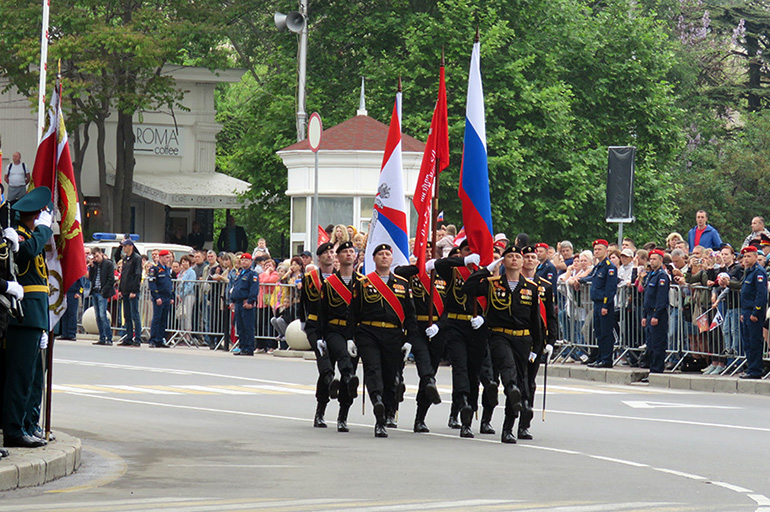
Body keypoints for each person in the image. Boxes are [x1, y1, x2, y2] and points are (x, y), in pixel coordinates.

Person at [462, 246, 542, 444]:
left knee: (521, 386)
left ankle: (508, 429)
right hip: (500, 335)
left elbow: (536, 322)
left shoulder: (531, 288)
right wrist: (485, 270)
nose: (514, 259)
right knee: (508, 369)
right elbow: (468, 288)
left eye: (517, 257)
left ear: (523, 262)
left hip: (523, 339)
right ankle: (510, 387)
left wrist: (537, 348)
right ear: (503, 262)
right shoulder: (492, 284)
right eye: (509, 256)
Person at [346, 243, 418, 438]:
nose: (384, 257)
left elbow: (410, 315)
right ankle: (377, 406)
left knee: (390, 376)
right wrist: (349, 338)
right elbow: (353, 313)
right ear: (374, 259)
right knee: (372, 370)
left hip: (394, 336)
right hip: (368, 333)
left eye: (387, 254)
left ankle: (387, 410)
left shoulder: (402, 284)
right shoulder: (363, 283)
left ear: (392, 258)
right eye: (380, 254)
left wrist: (409, 340)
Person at [2, 186, 52, 448]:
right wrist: (43, 229)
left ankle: (27, 424)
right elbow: (25, 253)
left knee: (32, 377)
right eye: (42, 216)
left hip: (35, 315)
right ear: (36, 215)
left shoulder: (30, 235)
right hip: (23, 315)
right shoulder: (20, 235)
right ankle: (13, 428)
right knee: (19, 376)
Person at [434, 241, 486, 438]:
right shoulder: (454, 271)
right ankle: (462, 405)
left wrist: (483, 318)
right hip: (455, 326)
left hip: (476, 328)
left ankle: (470, 409)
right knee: (460, 367)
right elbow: (439, 265)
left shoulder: (485, 273)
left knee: (474, 372)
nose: (470, 254)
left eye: (473, 252)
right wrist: (464, 261)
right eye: (466, 250)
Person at [394, 255, 444, 433]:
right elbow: (398, 272)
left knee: (431, 368)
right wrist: (419, 268)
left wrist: (439, 325)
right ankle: (428, 380)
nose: (428, 254)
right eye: (425, 250)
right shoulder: (410, 274)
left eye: (432, 250)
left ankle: (420, 418)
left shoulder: (442, 275)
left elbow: (451, 304)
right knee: (423, 362)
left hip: (437, 329)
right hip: (415, 327)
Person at [317, 241, 360, 432]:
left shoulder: (363, 283)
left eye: (352, 251)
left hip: (354, 333)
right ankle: (320, 411)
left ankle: (343, 416)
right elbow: (322, 312)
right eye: (345, 252)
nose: (349, 254)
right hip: (334, 330)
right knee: (338, 368)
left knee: (348, 378)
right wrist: (319, 336)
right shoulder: (329, 284)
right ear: (338, 257)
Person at [520, 246, 557, 440]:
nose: (530, 260)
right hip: (518, 336)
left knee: (530, 381)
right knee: (520, 379)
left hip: (537, 338)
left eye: (533, 257)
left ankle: (525, 422)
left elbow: (551, 315)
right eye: (526, 257)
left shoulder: (545, 286)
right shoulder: (514, 283)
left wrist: (551, 340)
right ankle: (517, 412)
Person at [300, 242, 337, 428]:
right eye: (326, 253)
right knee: (323, 360)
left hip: (334, 326)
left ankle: (323, 408)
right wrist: (303, 322)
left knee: (331, 363)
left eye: (332, 252)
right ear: (319, 257)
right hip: (314, 325)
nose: (330, 255)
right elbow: (304, 301)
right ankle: (329, 382)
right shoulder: (310, 278)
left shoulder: (341, 278)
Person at [580, 239, 618, 368]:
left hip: (604, 304)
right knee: (599, 332)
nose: (596, 251)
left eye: (599, 249)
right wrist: (580, 280)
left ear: (606, 251)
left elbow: (610, 288)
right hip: (596, 303)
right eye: (595, 249)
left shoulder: (610, 267)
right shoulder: (598, 267)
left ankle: (607, 359)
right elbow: (591, 277)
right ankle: (601, 357)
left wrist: (606, 305)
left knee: (606, 333)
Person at [738, 246, 767, 379]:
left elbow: (761, 294)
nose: (746, 259)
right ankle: (751, 368)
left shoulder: (758, 272)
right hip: (746, 310)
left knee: (755, 341)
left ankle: (755, 370)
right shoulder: (748, 271)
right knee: (748, 342)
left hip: (754, 312)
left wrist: (756, 312)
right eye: (744, 256)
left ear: (756, 257)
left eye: (749, 256)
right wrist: (744, 312)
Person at [641, 249, 670, 375]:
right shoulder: (650, 275)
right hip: (649, 313)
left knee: (657, 343)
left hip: (657, 314)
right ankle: (652, 369)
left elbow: (661, 298)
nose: (652, 261)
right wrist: (644, 315)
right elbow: (647, 297)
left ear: (661, 260)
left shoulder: (662, 276)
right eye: (651, 259)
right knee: (650, 343)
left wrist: (656, 315)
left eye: (654, 259)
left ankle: (657, 369)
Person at [230, 253, 259, 356]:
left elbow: (254, 289)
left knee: (248, 326)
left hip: (245, 302)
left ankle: (249, 348)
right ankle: (242, 347)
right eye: (242, 260)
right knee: (240, 327)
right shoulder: (240, 273)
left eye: (246, 260)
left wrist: (250, 301)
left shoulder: (252, 274)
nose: (244, 262)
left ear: (250, 262)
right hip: (238, 302)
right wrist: (232, 300)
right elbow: (236, 288)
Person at [117, 239, 142, 346]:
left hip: (132, 290)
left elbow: (137, 275)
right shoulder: (126, 259)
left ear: (131, 246)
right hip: (125, 290)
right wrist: (120, 289)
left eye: (125, 246)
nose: (123, 248)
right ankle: (128, 337)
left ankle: (137, 338)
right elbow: (123, 275)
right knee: (127, 315)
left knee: (134, 314)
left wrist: (134, 290)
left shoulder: (136, 258)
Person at [89, 247, 116, 346]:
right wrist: (91, 267)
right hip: (95, 291)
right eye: (94, 257)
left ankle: (109, 337)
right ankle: (102, 337)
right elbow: (91, 278)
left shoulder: (108, 264)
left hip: (102, 292)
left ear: (101, 254)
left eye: (97, 256)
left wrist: (104, 290)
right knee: (97, 316)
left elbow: (111, 279)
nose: (96, 259)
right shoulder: (95, 265)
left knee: (102, 315)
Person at [147, 250, 173, 348]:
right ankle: (153, 339)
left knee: (164, 319)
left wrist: (171, 297)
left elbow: (169, 284)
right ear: (161, 257)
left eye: (169, 257)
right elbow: (152, 284)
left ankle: (160, 339)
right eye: (166, 257)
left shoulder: (167, 269)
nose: (168, 259)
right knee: (157, 318)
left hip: (167, 297)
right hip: (159, 297)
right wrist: (156, 297)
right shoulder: (155, 269)